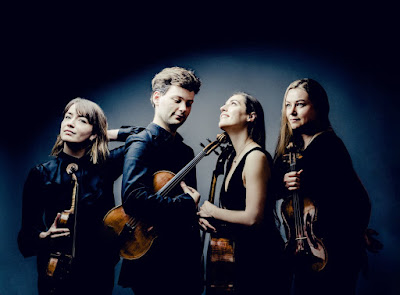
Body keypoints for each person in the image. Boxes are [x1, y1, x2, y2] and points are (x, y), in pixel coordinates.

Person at [17, 97, 142, 295]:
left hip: (98, 274)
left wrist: (102, 134)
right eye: (67, 117)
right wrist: (44, 236)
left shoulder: (105, 167)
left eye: (82, 120)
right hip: (55, 275)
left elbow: (144, 137)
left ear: (93, 133)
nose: (70, 123)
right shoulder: (41, 173)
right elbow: (25, 237)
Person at [272, 78, 373, 295]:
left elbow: (358, 199)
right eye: (288, 105)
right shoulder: (293, 148)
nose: (292, 112)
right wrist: (283, 182)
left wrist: (356, 233)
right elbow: (272, 188)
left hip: (333, 248)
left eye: (300, 104)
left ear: (317, 107)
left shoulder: (329, 145)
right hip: (305, 249)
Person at [118, 67, 203, 295]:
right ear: (157, 97)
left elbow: (186, 208)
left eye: (189, 103)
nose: (183, 109)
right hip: (154, 263)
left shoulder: (186, 151)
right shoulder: (141, 143)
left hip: (184, 262)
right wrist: (186, 204)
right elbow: (133, 199)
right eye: (177, 100)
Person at [197, 92, 288, 295]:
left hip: (262, 260)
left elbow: (253, 217)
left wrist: (213, 210)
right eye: (224, 103)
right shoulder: (233, 159)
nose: (223, 107)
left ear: (251, 116)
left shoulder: (255, 157)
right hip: (242, 257)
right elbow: (234, 212)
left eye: (233, 103)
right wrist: (208, 218)